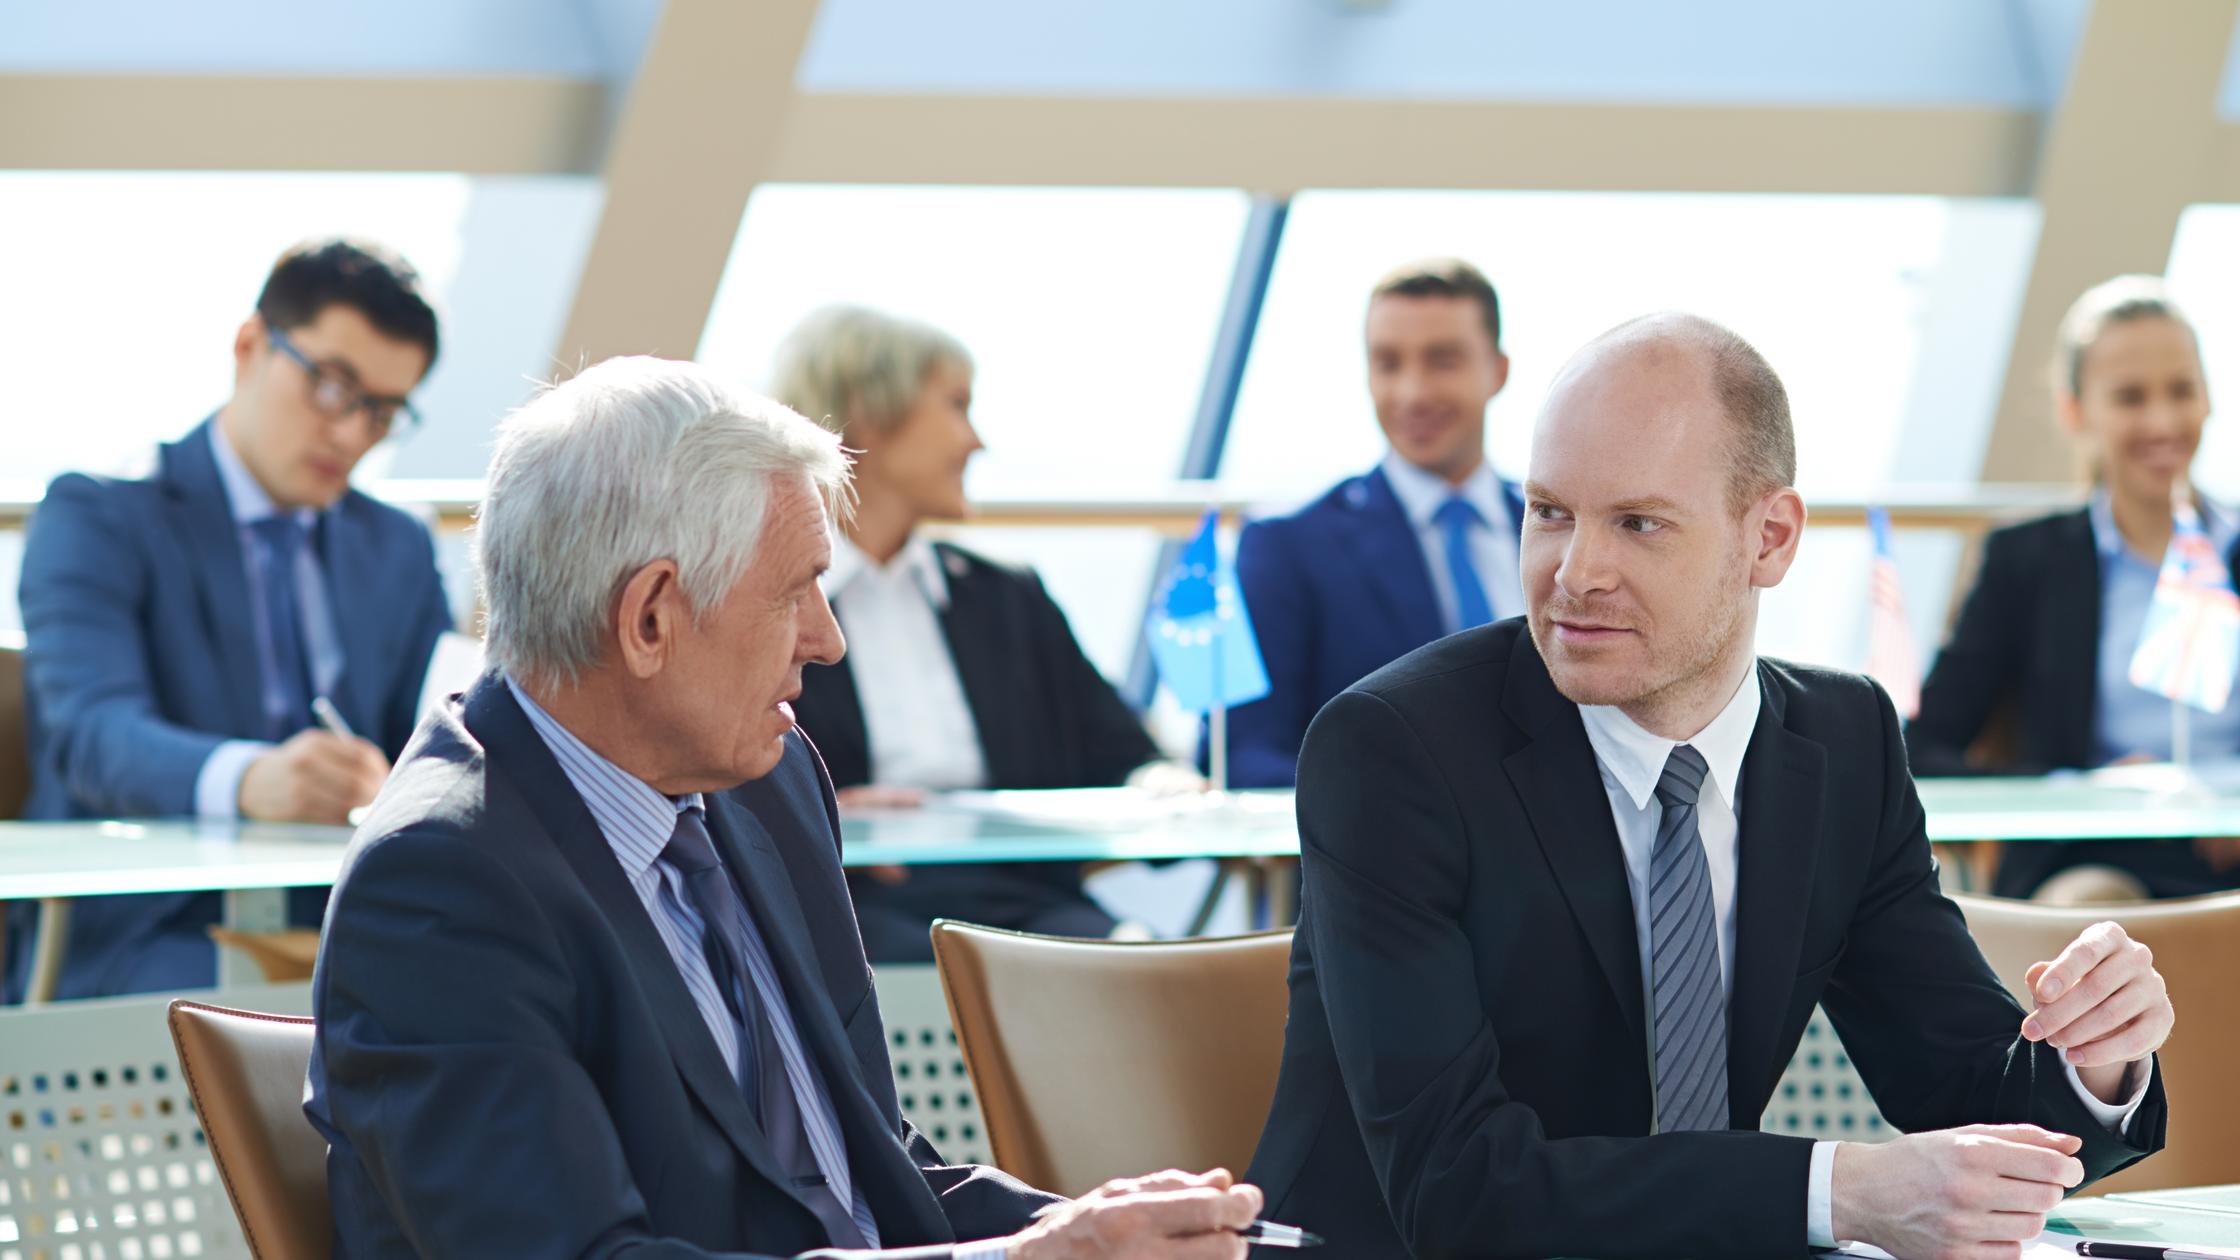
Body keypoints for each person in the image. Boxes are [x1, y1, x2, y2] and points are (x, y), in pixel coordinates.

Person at [1246, 314, 2171, 1260]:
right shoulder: (1395, 751)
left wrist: (2097, 1060)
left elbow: (1968, 1090)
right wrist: (1837, 1193)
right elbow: (1461, 1194)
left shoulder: (1842, 742)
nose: (1574, 573)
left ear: (1769, 538)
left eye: (1638, 524)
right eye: (1551, 511)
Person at [307, 356, 1262, 1258]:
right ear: (651, 619)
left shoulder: (771, 790)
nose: (828, 639)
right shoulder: (442, 887)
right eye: (796, 590)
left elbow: (871, 1172)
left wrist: (1115, 1232)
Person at [12, 238, 450, 999]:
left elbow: (442, 731)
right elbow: (91, 733)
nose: (349, 432)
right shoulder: (100, 512)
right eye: (331, 385)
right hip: (150, 925)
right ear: (250, 345)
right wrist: (250, 779)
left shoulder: (398, 545)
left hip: (346, 917)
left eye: (381, 411)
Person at [771, 306, 1179, 963]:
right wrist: (817, 813)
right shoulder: (763, 605)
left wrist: (1162, 779)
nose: (975, 441)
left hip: (1020, 902)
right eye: (957, 406)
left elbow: (1124, 750)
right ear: (872, 413)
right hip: (850, 908)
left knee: (1148, 967)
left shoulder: (1007, 597)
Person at [1910, 276, 2240, 902]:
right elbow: (1921, 748)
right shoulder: (2027, 562)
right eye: (2131, 397)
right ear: (2075, 411)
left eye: (2181, 391)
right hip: (2098, 863)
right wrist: (2085, 787)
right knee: (2089, 915)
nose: (2163, 420)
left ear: (2210, 397)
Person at [1222, 258, 1526, 787]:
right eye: (1388, 363)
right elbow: (1244, 753)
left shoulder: (1561, 531)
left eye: (1442, 361)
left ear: (1497, 371)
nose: (1413, 392)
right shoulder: (1290, 545)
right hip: (1386, 859)